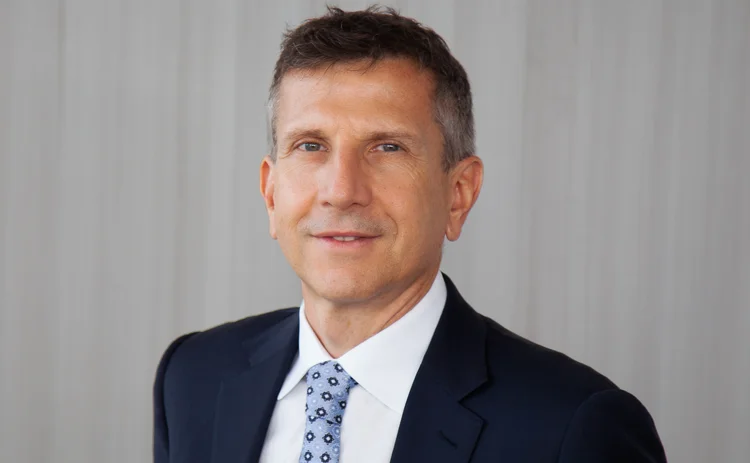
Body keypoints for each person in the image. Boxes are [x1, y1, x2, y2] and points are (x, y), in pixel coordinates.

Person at [153, 6, 667, 463]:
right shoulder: (193, 378)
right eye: (310, 145)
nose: (341, 191)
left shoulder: (574, 428)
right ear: (271, 193)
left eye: (387, 148)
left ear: (458, 194)